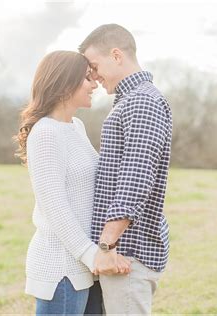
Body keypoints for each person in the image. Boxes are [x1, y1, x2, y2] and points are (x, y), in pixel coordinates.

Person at [13, 50, 131, 315]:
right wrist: (93, 255)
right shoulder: (45, 133)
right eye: (87, 79)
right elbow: (55, 207)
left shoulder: (75, 126)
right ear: (65, 84)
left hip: (85, 267)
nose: (93, 85)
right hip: (61, 269)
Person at [79, 24, 173, 314]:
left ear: (116, 55)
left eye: (94, 66)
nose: (93, 77)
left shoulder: (142, 102)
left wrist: (106, 246)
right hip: (121, 252)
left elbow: (135, 180)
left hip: (126, 254)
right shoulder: (127, 101)